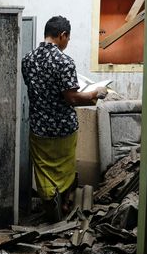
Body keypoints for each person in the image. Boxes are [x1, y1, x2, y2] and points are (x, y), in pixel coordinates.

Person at [21, 15, 107, 221]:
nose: (67, 43)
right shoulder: (64, 61)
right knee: (66, 169)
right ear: (62, 35)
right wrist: (95, 93)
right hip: (62, 130)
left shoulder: (28, 59)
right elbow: (72, 97)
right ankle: (63, 204)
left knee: (44, 172)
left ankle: (51, 203)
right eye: (67, 39)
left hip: (39, 128)